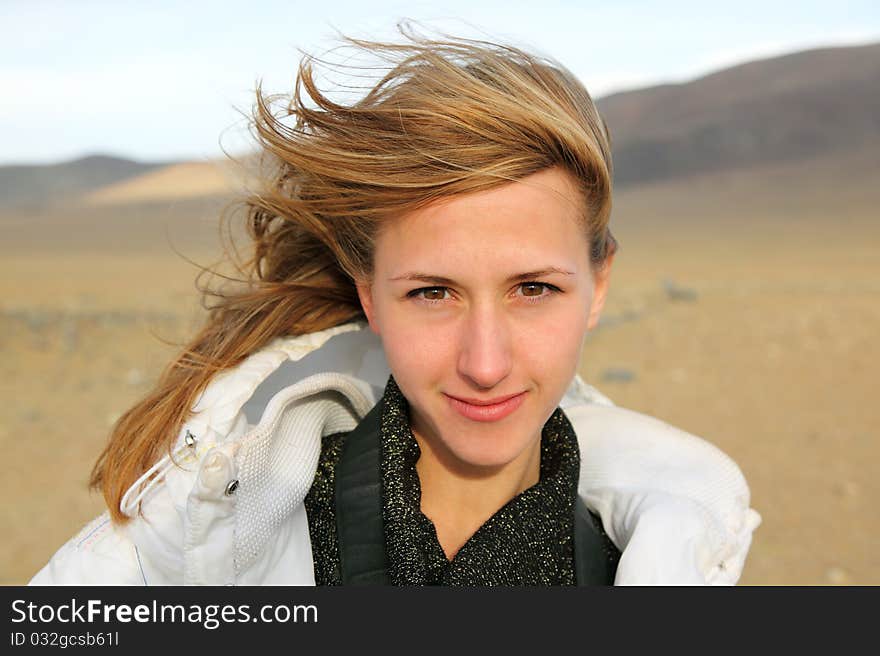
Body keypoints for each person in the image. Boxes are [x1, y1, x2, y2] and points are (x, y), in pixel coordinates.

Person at [31, 24, 760, 586]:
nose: (485, 363)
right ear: (367, 296)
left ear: (597, 287)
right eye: (432, 293)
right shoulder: (200, 540)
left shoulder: (656, 559)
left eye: (533, 289)